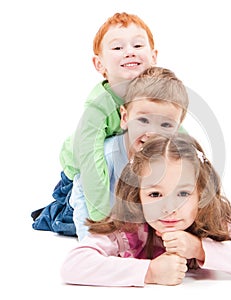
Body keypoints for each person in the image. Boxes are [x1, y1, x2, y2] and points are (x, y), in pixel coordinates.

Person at [60, 133, 231, 287]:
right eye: (154, 195)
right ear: (137, 195)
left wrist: (199, 248)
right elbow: (73, 266)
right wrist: (150, 272)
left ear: (201, 194)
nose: (168, 208)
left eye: (183, 194)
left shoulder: (210, 220)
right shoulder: (127, 229)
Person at [31, 12, 158, 236]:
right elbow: (90, 163)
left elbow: (174, 130)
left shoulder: (157, 95)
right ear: (100, 64)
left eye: (138, 45)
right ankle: (53, 213)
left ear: (154, 56)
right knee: (74, 218)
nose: (129, 51)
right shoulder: (99, 107)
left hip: (119, 171)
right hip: (81, 174)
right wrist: (102, 221)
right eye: (118, 48)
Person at [70, 66, 189, 240]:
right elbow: (83, 190)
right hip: (89, 203)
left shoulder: (174, 162)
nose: (152, 133)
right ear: (125, 118)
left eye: (165, 125)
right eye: (143, 120)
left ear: (177, 129)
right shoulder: (109, 155)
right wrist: (93, 240)